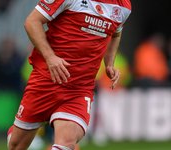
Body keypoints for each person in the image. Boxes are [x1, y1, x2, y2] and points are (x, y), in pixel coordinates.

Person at [7, 0, 131, 150]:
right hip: (46, 81)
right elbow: (32, 21)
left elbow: (116, 34)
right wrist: (50, 57)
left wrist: (109, 64)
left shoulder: (123, 5)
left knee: (67, 143)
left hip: (80, 89)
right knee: (16, 145)